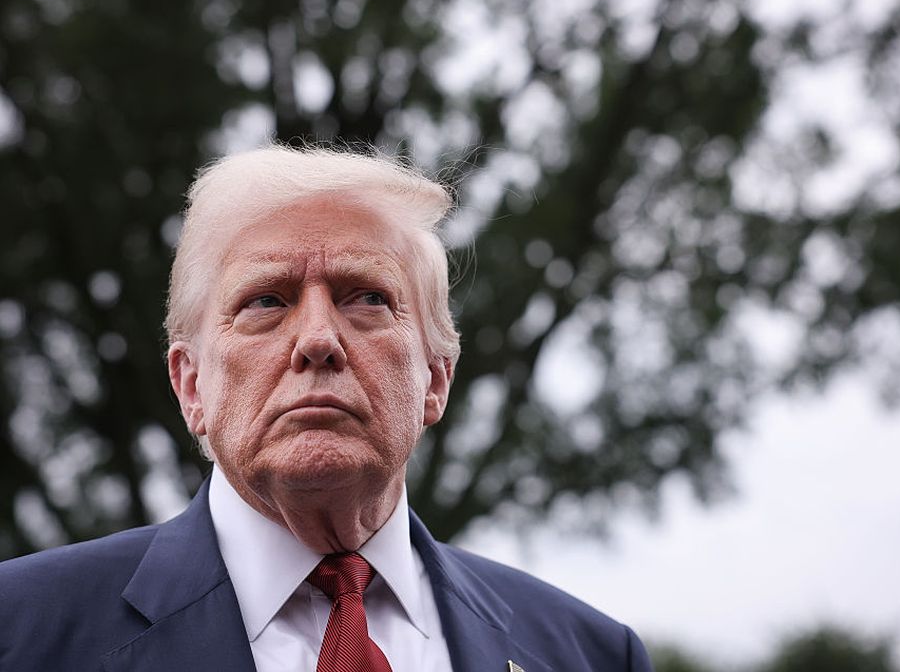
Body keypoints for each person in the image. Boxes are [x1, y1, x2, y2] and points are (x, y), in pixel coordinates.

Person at [0, 146, 654, 672]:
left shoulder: (590, 654)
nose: (317, 339)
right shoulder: (20, 631)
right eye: (266, 301)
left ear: (435, 378)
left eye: (366, 297)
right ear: (191, 385)